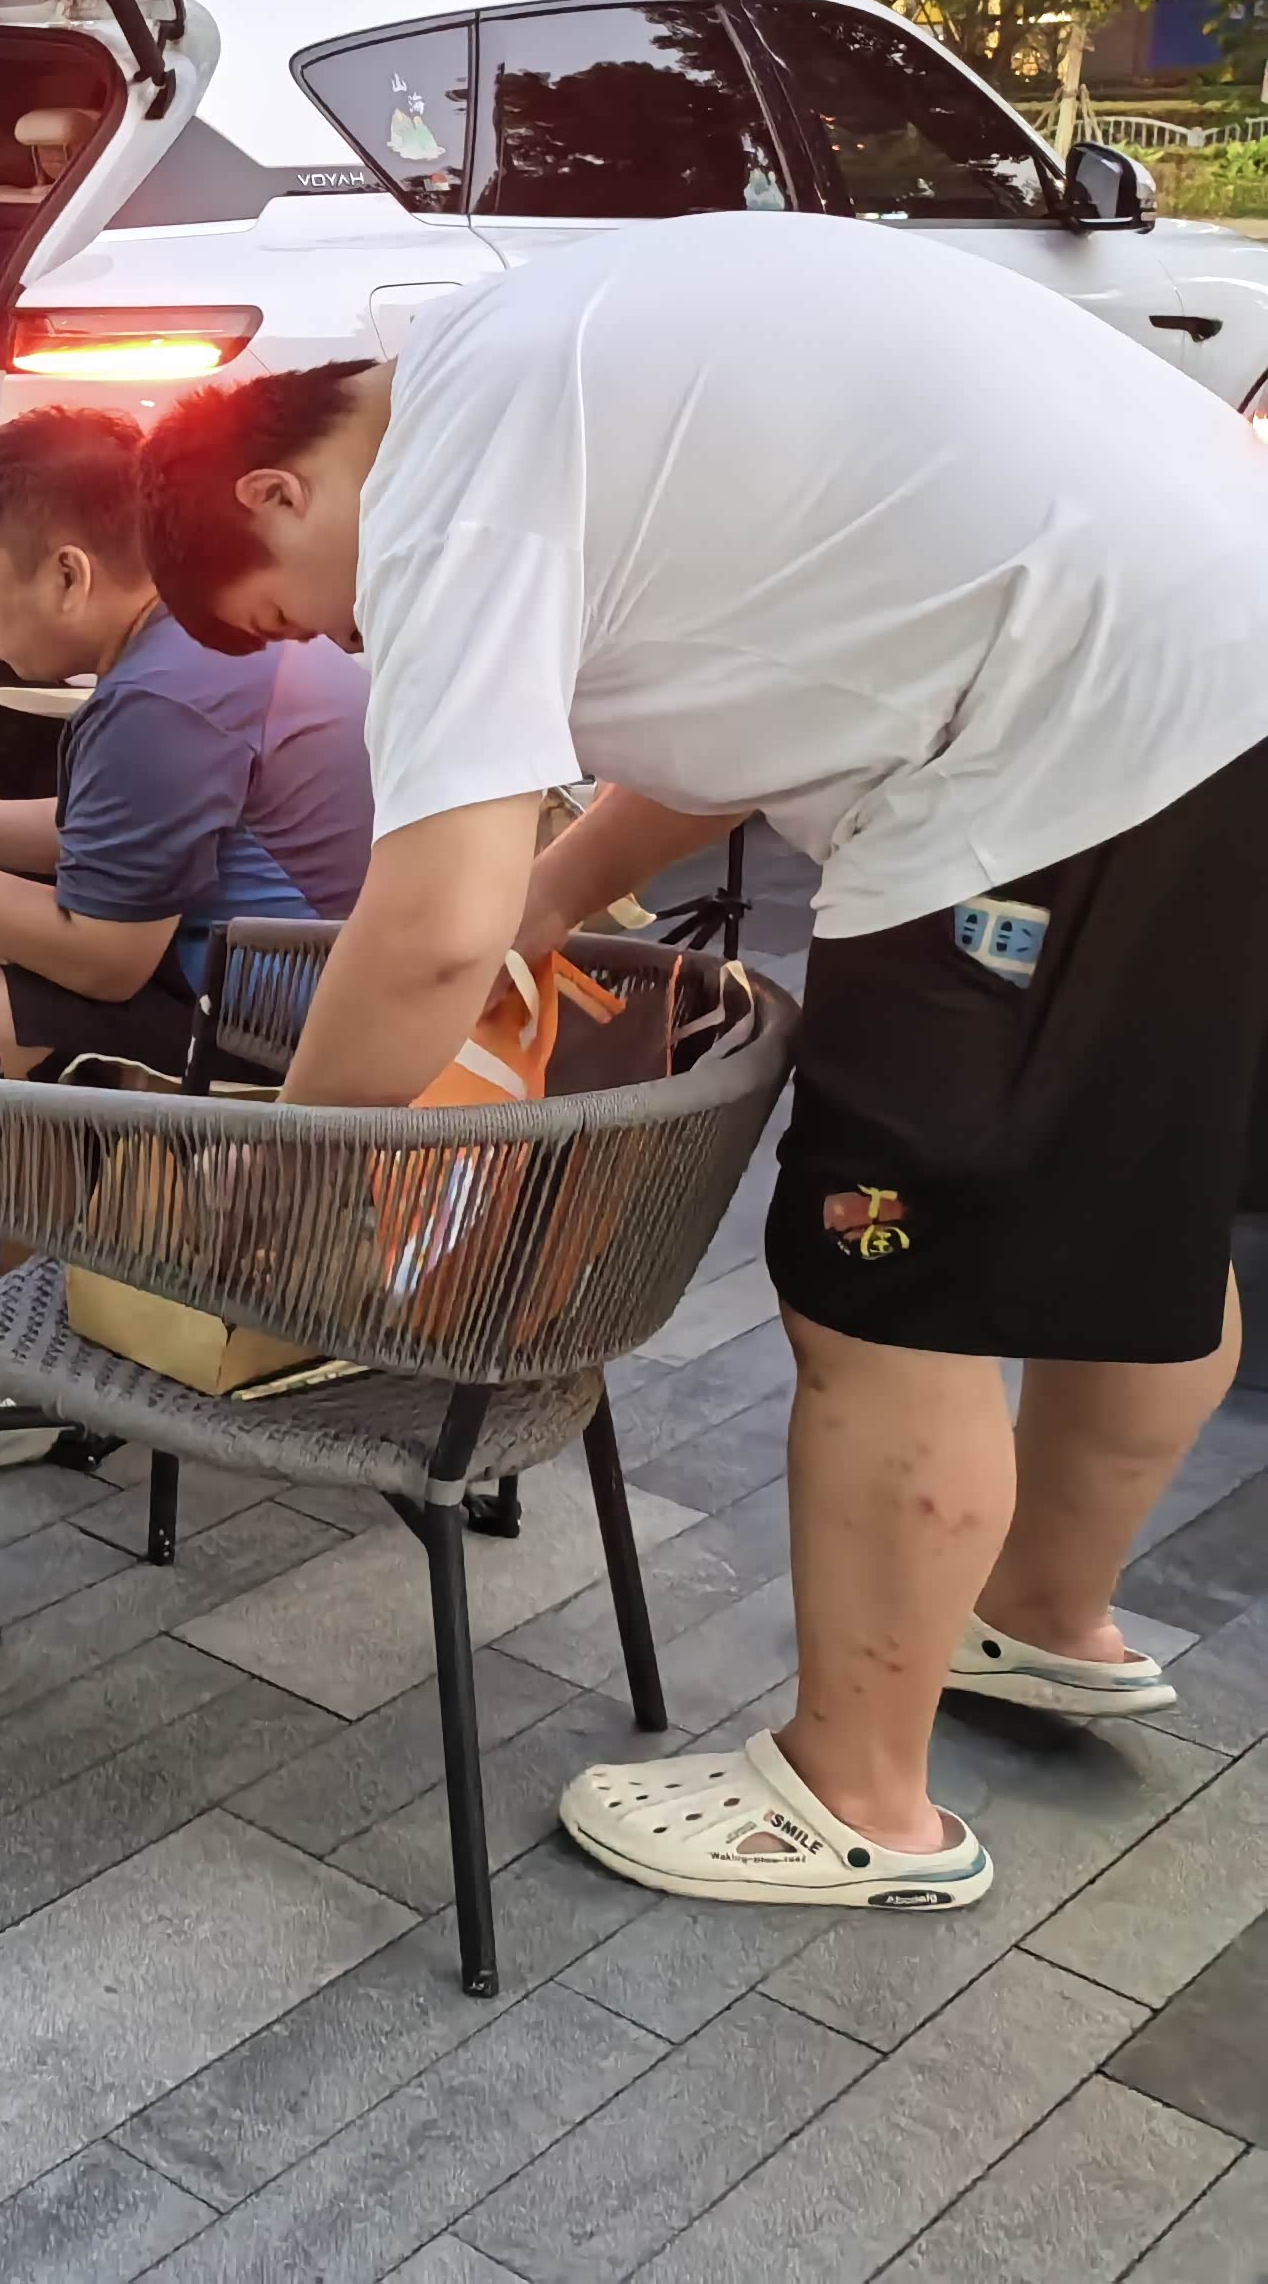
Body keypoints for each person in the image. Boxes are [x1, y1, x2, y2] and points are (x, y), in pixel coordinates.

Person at [136, 218, 1268, 1914]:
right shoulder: (553, 354)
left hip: (1056, 729)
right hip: (1212, 645)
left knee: (884, 1288)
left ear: (275, 493)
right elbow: (741, 691)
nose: (360, 644)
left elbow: (427, 930)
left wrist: (286, 1160)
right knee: (1144, 1210)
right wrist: (556, 890)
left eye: (323, 623)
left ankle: (857, 1800)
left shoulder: (451, 466)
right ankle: (1041, 1615)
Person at [0, 405, 370, 1075]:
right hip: (352, 980)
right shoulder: (206, 625)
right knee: (21, 943)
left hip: (305, 1026)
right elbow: (113, 832)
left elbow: (105, 960)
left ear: (68, 576)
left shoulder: (160, 701)